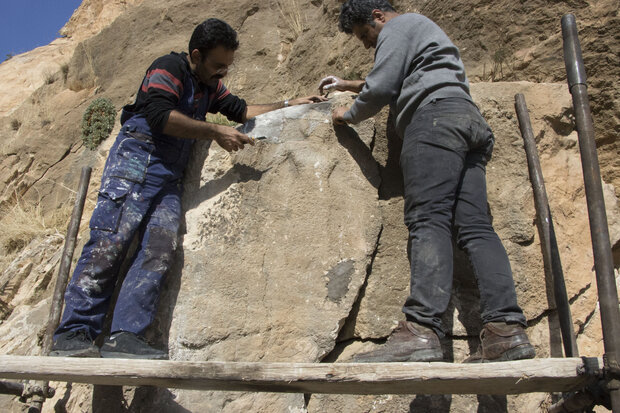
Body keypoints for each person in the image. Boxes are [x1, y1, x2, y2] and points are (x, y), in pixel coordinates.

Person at [51, 18, 325, 359]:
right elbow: (159, 116)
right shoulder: (170, 67)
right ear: (196, 55)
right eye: (217, 65)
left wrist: (292, 103)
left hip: (168, 176)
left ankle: (125, 336)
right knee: (110, 241)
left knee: (159, 248)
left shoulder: (209, 85)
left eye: (227, 67)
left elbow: (242, 110)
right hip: (136, 164)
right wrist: (214, 131)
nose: (222, 73)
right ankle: (74, 333)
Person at [319, 0, 535, 363]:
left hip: (433, 123)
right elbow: (406, 74)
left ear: (378, 16)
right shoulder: (421, 31)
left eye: (365, 36)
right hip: (466, 120)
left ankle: (420, 332)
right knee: (477, 229)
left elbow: (384, 84)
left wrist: (348, 113)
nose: (368, 44)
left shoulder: (398, 27)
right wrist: (348, 83)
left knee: (428, 221)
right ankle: (505, 333)